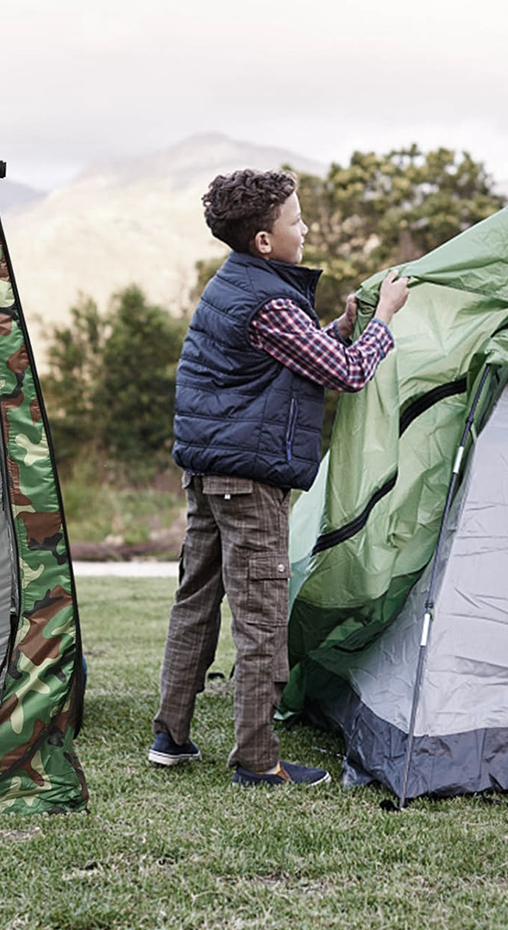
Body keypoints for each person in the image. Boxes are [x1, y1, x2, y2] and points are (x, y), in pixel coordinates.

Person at [149, 168, 409, 787]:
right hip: (249, 481)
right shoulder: (270, 299)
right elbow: (345, 375)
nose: (306, 227)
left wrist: (343, 327)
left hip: (209, 472)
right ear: (265, 240)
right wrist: (383, 323)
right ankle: (257, 761)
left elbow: (292, 360)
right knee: (262, 615)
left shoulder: (236, 284)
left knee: (196, 600)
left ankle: (171, 735)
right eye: (296, 220)